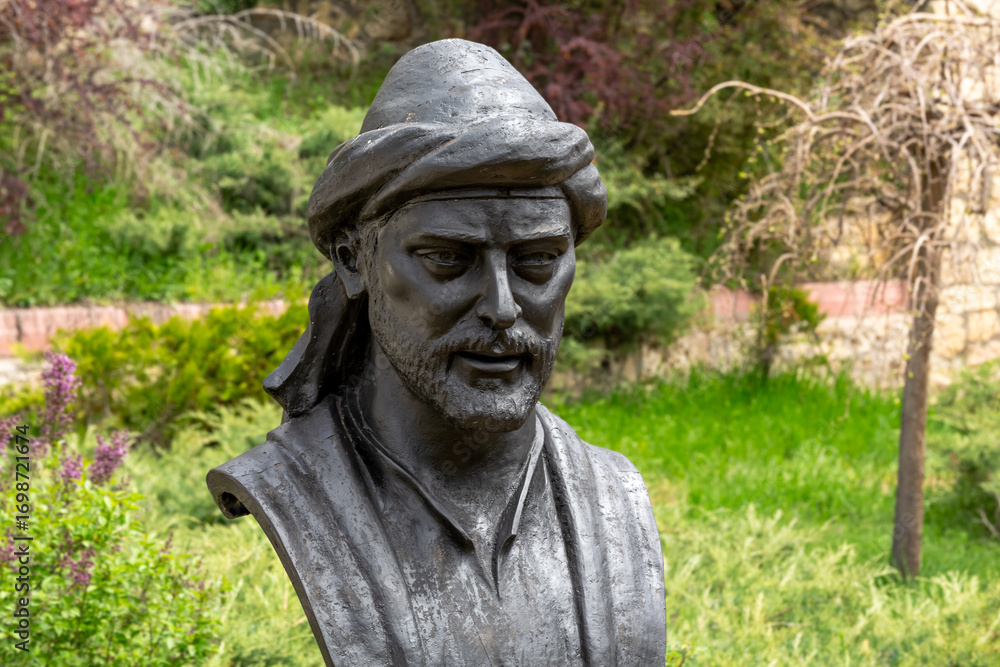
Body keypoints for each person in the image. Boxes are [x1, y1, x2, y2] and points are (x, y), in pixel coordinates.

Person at [207, 38, 666, 667]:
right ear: (353, 259)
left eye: (537, 261)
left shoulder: (613, 496)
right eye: (448, 260)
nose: (502, 307)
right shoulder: (293, 488)